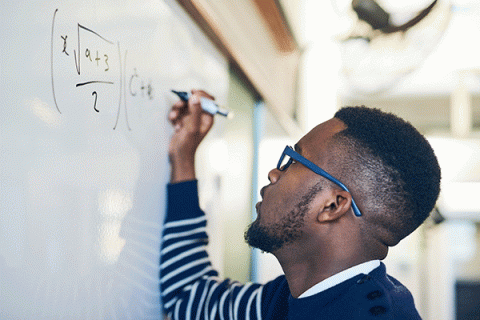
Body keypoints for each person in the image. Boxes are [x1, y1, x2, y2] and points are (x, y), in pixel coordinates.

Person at [160, 90, 441, 319]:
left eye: (295, 161)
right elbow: (190, 295)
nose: (274, 173)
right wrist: (184, 156)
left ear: (333, 205)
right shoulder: (294, 298)